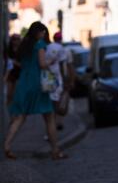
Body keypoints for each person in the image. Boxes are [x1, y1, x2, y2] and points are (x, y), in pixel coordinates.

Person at [3, 22, 68, 160]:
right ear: (38, 32)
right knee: (49, 117)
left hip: (23, 83)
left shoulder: (24, 45)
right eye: (43, 32)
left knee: (20, 117)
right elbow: (42, 64)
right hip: (38, 84)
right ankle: (55, 151)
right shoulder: (39, 45)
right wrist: (51, 62)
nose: (44, 35)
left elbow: (22, 63)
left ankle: (7, 146)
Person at [46, 31, 75, 131]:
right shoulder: (65, 50)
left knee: (55, 102)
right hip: (60, 79)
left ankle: (54, 124)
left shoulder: (48, 49)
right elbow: (68, 66)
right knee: (60, 101)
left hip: (51, 78)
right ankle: (58, 123)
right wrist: (70, 80)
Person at [4, 34, 22, 105]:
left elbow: (23, 64)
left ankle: (14, 109)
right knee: (9, 93)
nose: (16, 41)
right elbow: (7, 62)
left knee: (16, 94)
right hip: (10, 73)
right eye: (14, 39)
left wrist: (15, 62)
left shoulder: (21, 51)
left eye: (17, 39)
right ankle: (8, 109)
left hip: (19, 73)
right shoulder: (8, 50)